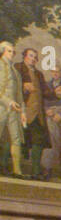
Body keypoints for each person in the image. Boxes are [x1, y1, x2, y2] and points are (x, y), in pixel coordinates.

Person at [16, 48, 49, 179]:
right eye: (31, 56)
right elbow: (9, 86)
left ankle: (36, 172)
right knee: (15, 140)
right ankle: (12, 169)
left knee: (38, 141)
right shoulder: (17, 68)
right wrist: (23, 87)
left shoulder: (39, 74)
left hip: (37, 114)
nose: (33, 59)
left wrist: (56, 93)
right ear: (24, 56)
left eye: (35, 57)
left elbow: (45, 92)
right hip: (21, 111)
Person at [0, 42, 23, 178]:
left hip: (14, 110)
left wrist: (23, 111)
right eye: (9, 51)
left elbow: (19, 93)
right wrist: (9, 102)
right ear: (3, 51)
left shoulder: (15, 71)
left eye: (13, 52)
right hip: (1, 108)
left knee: (16, 138)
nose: (12, 54)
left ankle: (17, 170)